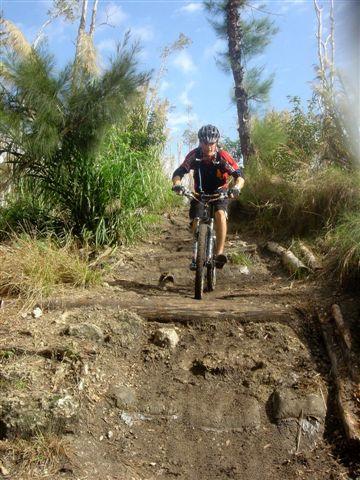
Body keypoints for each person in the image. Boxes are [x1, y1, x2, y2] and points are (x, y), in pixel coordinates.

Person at [172, 124, 244, 270]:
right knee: (195, 221)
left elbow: (239, 176)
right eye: (206, 143)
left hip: (220, 193)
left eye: (212, 143)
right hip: (200, 194)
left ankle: (219, 254)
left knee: (220, 215)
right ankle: (197, 253)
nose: (209, 147)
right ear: (200, 142)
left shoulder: (222, 156)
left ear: (216, 142)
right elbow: (178, 173)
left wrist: (236, 188)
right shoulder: (195, 155)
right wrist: (177, 184)